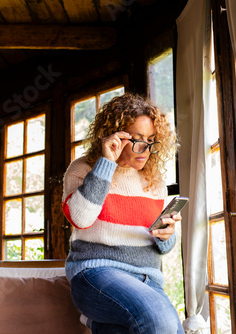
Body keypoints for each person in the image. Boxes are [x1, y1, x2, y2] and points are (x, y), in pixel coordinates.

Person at [62, 93, 184, 333]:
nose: (145, 149)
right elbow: (80, 218)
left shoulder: (154, 181)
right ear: (114, 136)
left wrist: (167, 235)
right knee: (161, 321)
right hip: (96, 273)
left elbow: (162, 244)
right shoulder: (83, 169)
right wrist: (107, 163)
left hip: (148, 280)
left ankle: (99, 323)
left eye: (151, 140)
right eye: (136, 139)